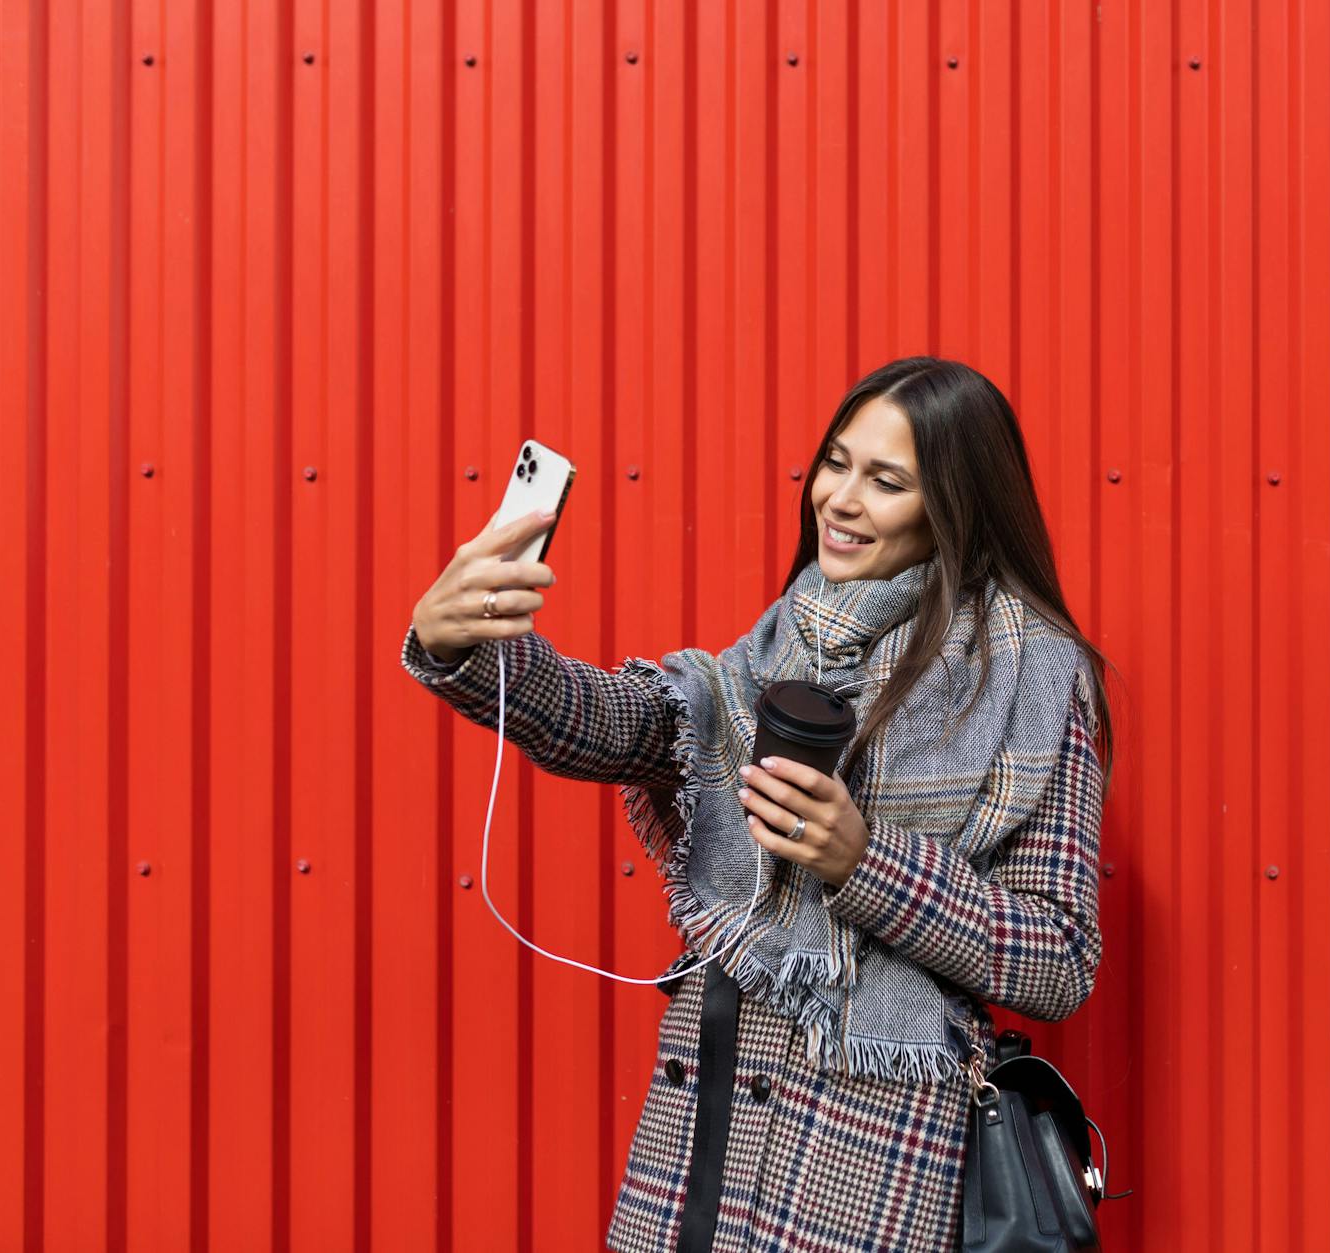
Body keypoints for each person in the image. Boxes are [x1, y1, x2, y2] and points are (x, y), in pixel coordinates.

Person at [401, 356, 1114, 1252]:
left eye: (887, 481)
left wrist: (864, 862)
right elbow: (626, 720)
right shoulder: (774, 651)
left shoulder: (1035, 682)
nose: (840, 499)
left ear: (955, 511)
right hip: (703, 1123)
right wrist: (460, 646)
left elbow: (1058, 961)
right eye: (836, 461)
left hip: (873, 1167)